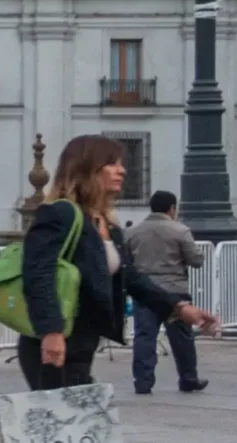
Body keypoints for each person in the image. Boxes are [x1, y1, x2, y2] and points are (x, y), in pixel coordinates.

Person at [19, 134, 218, 391]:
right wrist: (51, 332)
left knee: (73, 426)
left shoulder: (103, 222)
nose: (122, 170)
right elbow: (39, 274)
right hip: (52, 346)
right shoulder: (59, 214)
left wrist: (180, 309)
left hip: (81, 343)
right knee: (61, 424)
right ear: (87, 168)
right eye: (111, 163)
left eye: (121, 163)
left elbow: (131, 278)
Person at [125, 188, 209, 395]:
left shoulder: (132, 232)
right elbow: (196, 260)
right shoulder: (180, 231)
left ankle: (143, 382)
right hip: (175, 292)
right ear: (172, 208)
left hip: (144, 291)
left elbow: (126, 260)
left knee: (144, 336)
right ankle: (188, 378)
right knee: (182, 337)